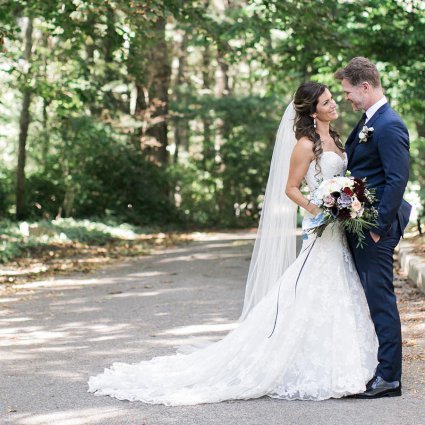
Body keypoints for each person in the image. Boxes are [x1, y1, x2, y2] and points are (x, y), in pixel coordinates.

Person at [87, 82, 378, 405]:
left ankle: (345, 362)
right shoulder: (305, 145)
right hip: (322, 227)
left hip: (338, 231)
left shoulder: (336, 139)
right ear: (313, 111)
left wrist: (347, 203)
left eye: (333, 99)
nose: (334, 104)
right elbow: (291, 188)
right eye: (327, 101)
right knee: (313, 288)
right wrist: (320, 209)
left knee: (336, 290)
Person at [335, 57, 411, 399]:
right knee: (369, 298)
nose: (347, 99)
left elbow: (397, 179)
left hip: (375, 228)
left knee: (380, 300)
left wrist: (378, 226)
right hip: (359, 223)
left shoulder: (389, 124)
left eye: (349, 92)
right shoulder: (369, 121)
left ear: (365, 87)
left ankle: (389, 377)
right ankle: (377, 370)